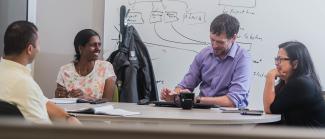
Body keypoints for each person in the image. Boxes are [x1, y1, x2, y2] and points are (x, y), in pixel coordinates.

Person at [160, 14, 251, 108]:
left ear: (233, 38)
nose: (214, 45)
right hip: (203, 111)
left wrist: (197, 99)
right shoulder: (204, 54)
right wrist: (174, 95)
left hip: (230, 116)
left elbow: (232, 101)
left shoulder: (242, 58)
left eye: (220, 42)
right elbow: (184, 86)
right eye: (212, 39)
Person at [0, 21, 80, 124]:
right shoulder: (24, 84)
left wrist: (68, 117)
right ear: (29, 49)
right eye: (38, 44)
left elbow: (42, 101)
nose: (39, 49)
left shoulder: (16, 78)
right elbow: (43, 131)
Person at [263, 41, 325, 127]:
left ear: (295, 63)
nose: (277, 63)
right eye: (277, 59)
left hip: (310, 135)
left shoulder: (302, 84)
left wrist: (270, 76)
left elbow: (269, 109)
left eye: (280, 59)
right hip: (295, 132)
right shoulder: (287, 84)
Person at [55, 29, 116, 101]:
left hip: (96, 112)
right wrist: (59, 96)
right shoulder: (65, 70)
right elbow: (59, 99)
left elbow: (108, 101)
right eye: (93, 45)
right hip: (69, 112)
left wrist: (87, 98)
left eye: (99, 44)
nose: (98, 49)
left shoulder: (106, 67)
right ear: (81, 48)